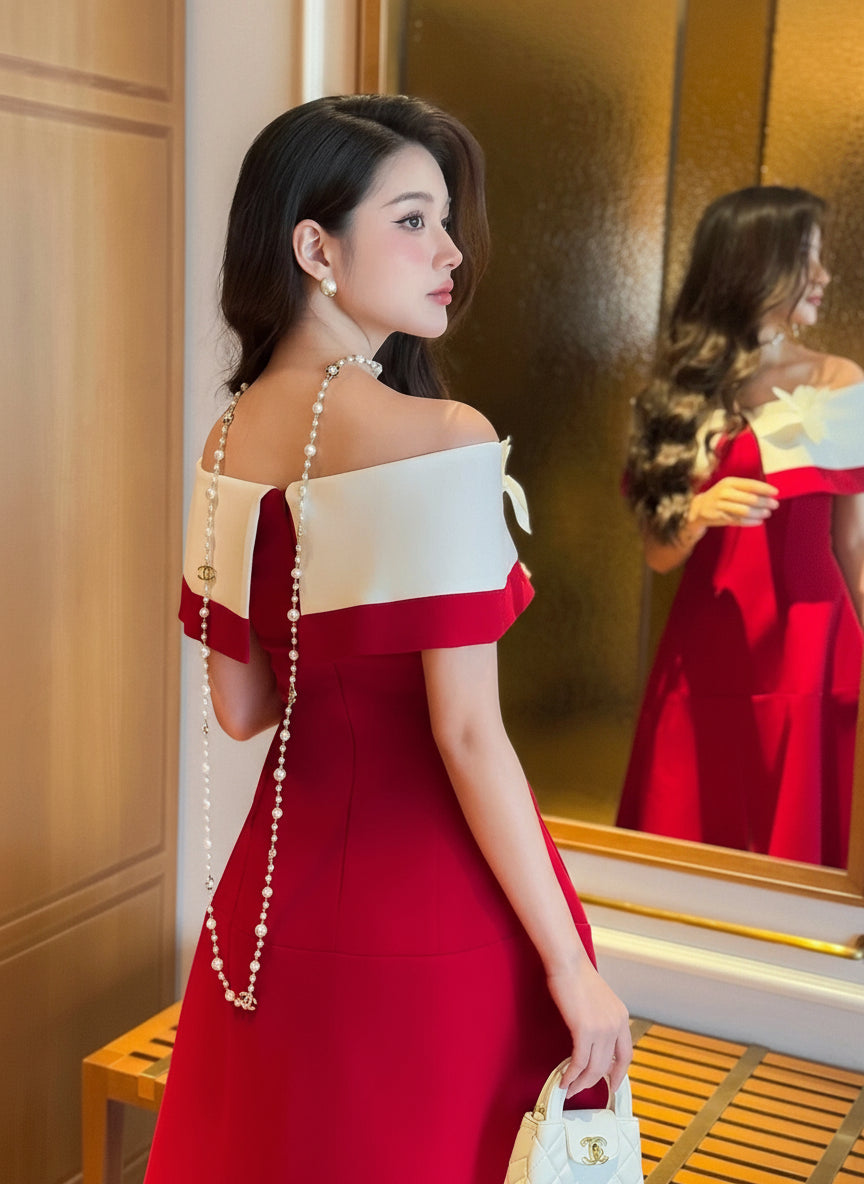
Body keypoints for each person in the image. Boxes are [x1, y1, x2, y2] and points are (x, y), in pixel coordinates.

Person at [144, 94, 631, 1184]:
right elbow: (466, 734)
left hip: (274, 904)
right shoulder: (440, 438)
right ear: (315, 246)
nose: (451, 251)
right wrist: (570, 964)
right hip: (431, 905)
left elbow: (244, 705)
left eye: (446, 221)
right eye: (413, 219)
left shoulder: (226, 436)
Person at [616, 185, 864, 868]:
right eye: (806, 259)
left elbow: (854, 545)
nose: (823, 276)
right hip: (713, 641)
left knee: (802, 852)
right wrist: (696, 512)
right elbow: (659, 556)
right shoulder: (677, 390)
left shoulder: (838, 380)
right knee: (695, 827)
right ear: (754, 264)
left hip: (815, 645)